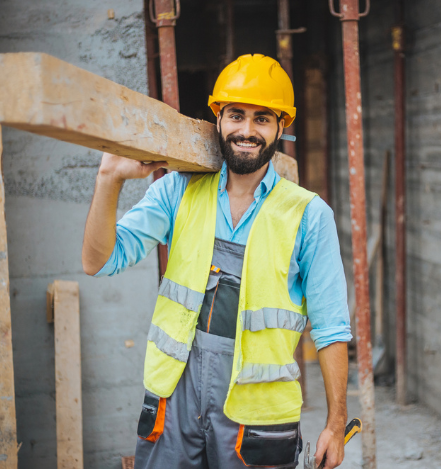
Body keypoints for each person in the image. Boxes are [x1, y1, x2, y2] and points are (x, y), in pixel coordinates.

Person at [82, 54, 352, 469]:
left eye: (262, 119)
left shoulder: (308, 215)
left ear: (282, 125)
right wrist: (109, 179)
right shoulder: (178, 191)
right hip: (175, 402)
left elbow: (331, 328)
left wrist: (335, 424)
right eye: (236, 115)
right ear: (217, 118)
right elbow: (98, 261)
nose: (247, 130)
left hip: (257, 418)